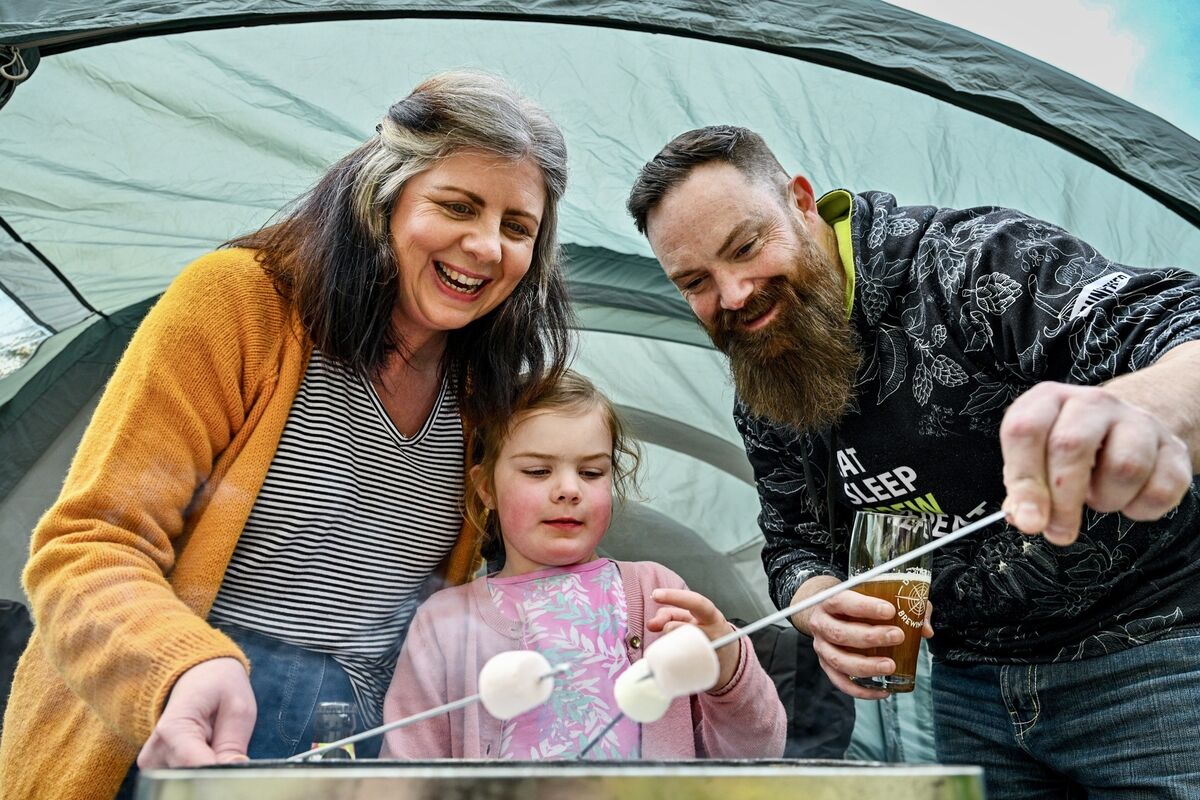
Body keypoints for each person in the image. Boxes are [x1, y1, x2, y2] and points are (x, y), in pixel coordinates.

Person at [0, 71, 574, 800]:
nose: (486, 246)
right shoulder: (241, 302)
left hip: (371, 747)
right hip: (197, 721)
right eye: (457, 206)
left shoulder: (488, 390)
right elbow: (87, 545)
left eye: (516, 228)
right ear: (383, 196)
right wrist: (181, 664)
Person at [626, 126, 1200, 798]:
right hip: (967, 688)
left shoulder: (974, 263)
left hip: (1150, 662)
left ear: (803, 203)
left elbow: (1170, 319)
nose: (732, 295)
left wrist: (1151, 403)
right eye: (695, 282)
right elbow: (791, 543)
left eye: (747, 246)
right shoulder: (762, 373)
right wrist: (817, 604)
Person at [380, 370, 787, 760]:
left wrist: (727, 663)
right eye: (538, 471)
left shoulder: (656, 594)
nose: (569, 490)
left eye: (591, 472)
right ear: (486, 488)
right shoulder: (444, 623)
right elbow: (403, 775)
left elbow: (758, 750)